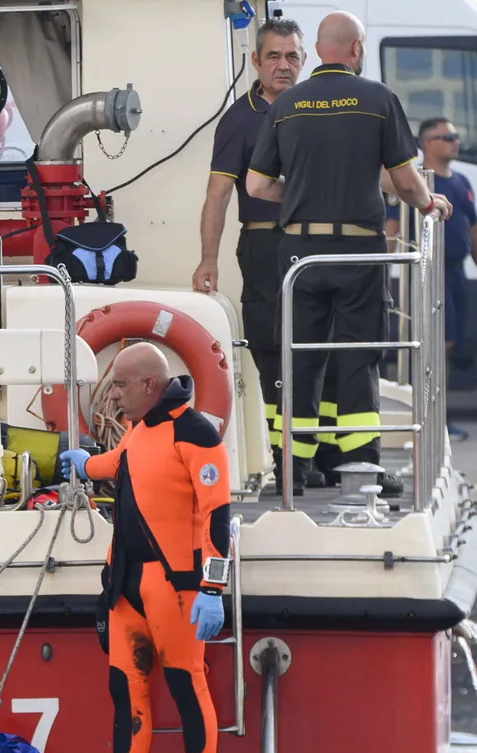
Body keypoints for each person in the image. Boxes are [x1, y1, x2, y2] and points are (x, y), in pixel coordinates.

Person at [246, 12, 451, 497]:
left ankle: (292, 472)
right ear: (356, 49)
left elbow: (255, 184)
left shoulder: (288, 104)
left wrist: (298, 197)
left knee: (300, 361)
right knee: (358, 358)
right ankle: (360, 467)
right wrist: (429, 202)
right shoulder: (379, 100)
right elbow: (403, 179)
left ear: (317, 51)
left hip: (299, 252)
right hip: (359, 249)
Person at [58, 344, 230, 753]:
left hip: (176, 588)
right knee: (124, 688)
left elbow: (218, 517)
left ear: (148, 386)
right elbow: (121, 464)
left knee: (185, 685)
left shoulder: (195, 434)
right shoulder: (139, 430)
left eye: (119, 385)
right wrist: (83, 464)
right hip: (126, 586)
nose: (111, 396)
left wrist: (213, 590)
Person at [193, 18, 305, 484]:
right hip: (263, 246)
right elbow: (217, 196)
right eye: (274, 56)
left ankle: (323, 461)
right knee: (271, 347)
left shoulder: (314, 109)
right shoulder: (238, 120)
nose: (284, 65)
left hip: (315, 243)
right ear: (255, 61)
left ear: (306, 60)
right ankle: (289, 464)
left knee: (321, 349)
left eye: (293, 56)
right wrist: (208, 259)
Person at [385, 117, 477, 441]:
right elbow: (392, 230)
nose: (455, 142)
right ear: (427, 143)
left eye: (455, 136)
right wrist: (384, 272)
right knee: (439, 343)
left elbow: (472, 230)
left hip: (456, 273)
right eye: (447, 137)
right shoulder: (416, 182)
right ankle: (430, 419)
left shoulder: (463, 182)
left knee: (449, 347)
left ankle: (440, 417)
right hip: (427, 271)